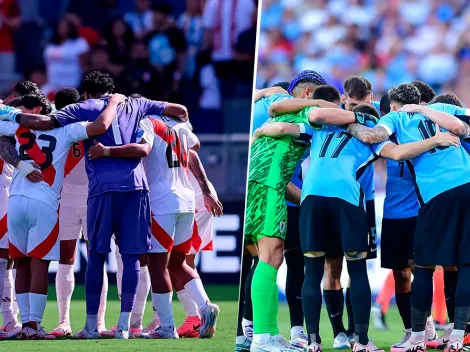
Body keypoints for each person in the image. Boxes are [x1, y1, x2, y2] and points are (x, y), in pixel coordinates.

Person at [0, 70, 189, 339]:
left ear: (86, 93)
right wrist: (117, 103)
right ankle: (129, 324)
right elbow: (178, 111)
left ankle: (63, 324)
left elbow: (43, 123)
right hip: (134, 188)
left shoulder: (78, 110)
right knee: (132, 258)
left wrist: (14, 118)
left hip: (88, 192)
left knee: (84, 258)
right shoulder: (134, 105)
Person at [256, 102, 458, 352]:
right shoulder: (372, 135)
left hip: (311, 199)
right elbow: (398, 154)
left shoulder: (320, 129)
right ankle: (361, 342)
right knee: (357, 268)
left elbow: (280, 128)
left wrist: (259, 132)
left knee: (312, 272)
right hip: (347, 200)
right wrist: (434, 141)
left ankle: (312, 341)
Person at [346, 83, 470, 352]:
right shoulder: (440, 111)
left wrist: (352, 125)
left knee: (425, 267)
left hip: (434, 198)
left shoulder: (398, 118)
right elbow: (463, 128)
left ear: (392, 105)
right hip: (448, 191)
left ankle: (423, 335)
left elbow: (374, 137)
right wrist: (436, 133)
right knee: (459, 264)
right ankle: (453, 335)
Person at [0, 92, 126, 340]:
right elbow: (101, 125)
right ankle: (33, 325)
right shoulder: (67, 129)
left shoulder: (17, 126)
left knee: (21, 263)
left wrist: (20, 164)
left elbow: (2, 144)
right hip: (44, 202)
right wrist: (114, 102)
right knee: (39, 263)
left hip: (15, 200)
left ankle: (24, 323)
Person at [49, 87, 108, 337]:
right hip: (92, 197)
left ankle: (64, 322)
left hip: (68, 199)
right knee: (96, 259)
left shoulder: (54, 125)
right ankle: (99, 323)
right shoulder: (92, 126)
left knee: (66, 260)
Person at [44, 19, 90, 91]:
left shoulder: (80, 43)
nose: (62, 29)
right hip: (53, 84)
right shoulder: (51, 44)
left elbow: (84, 64)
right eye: (60, 26)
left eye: (64, 27)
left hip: (72, 83)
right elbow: (47, 64)